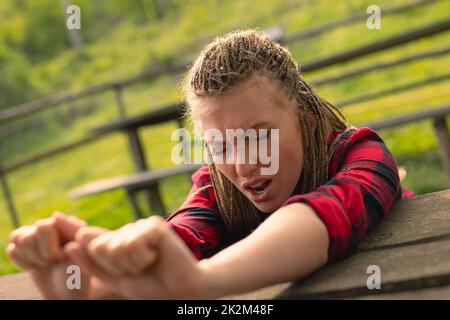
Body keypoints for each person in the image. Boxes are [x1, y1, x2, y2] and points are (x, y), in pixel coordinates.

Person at [6, 29, 414, 299]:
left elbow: (323, 216)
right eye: (219, 147)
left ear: (305, 116)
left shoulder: (362, 153)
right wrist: (94, 274)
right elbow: (183, 236)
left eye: (257, 136)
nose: (242, 166)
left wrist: (200, 282)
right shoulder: (213, 185)